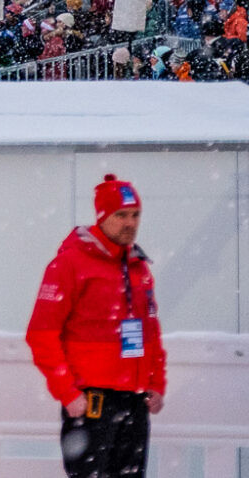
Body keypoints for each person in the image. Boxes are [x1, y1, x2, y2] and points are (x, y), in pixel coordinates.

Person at [26, 174, 166, 478]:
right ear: (102, 217)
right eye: (121, 215)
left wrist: (156, 382)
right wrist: (68, 392)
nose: (130, 223)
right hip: (91, 404)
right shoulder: (70, 264)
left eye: (135, 215)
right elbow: (41, 333)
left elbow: (151, 333)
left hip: (134, 401)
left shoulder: (139, 268)